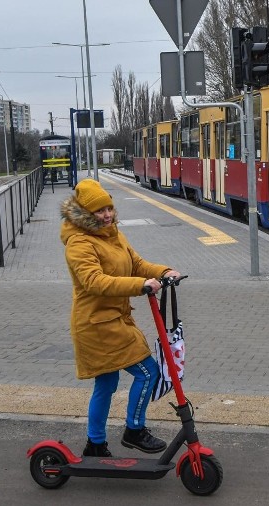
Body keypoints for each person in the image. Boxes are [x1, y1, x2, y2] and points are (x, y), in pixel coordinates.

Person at [60, 178, 181, 458]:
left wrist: (164, 271)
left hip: (113, 319)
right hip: (96, 324)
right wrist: (140, 286)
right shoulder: (79, 242)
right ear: (85, 215)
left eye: (109, 209)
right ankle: (134, 430)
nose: (107, 215)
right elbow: (94, 281)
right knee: (148, 371)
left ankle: (95, 444)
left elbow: (137, 264)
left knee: (106, 384)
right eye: (100, 211)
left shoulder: (112, 233)